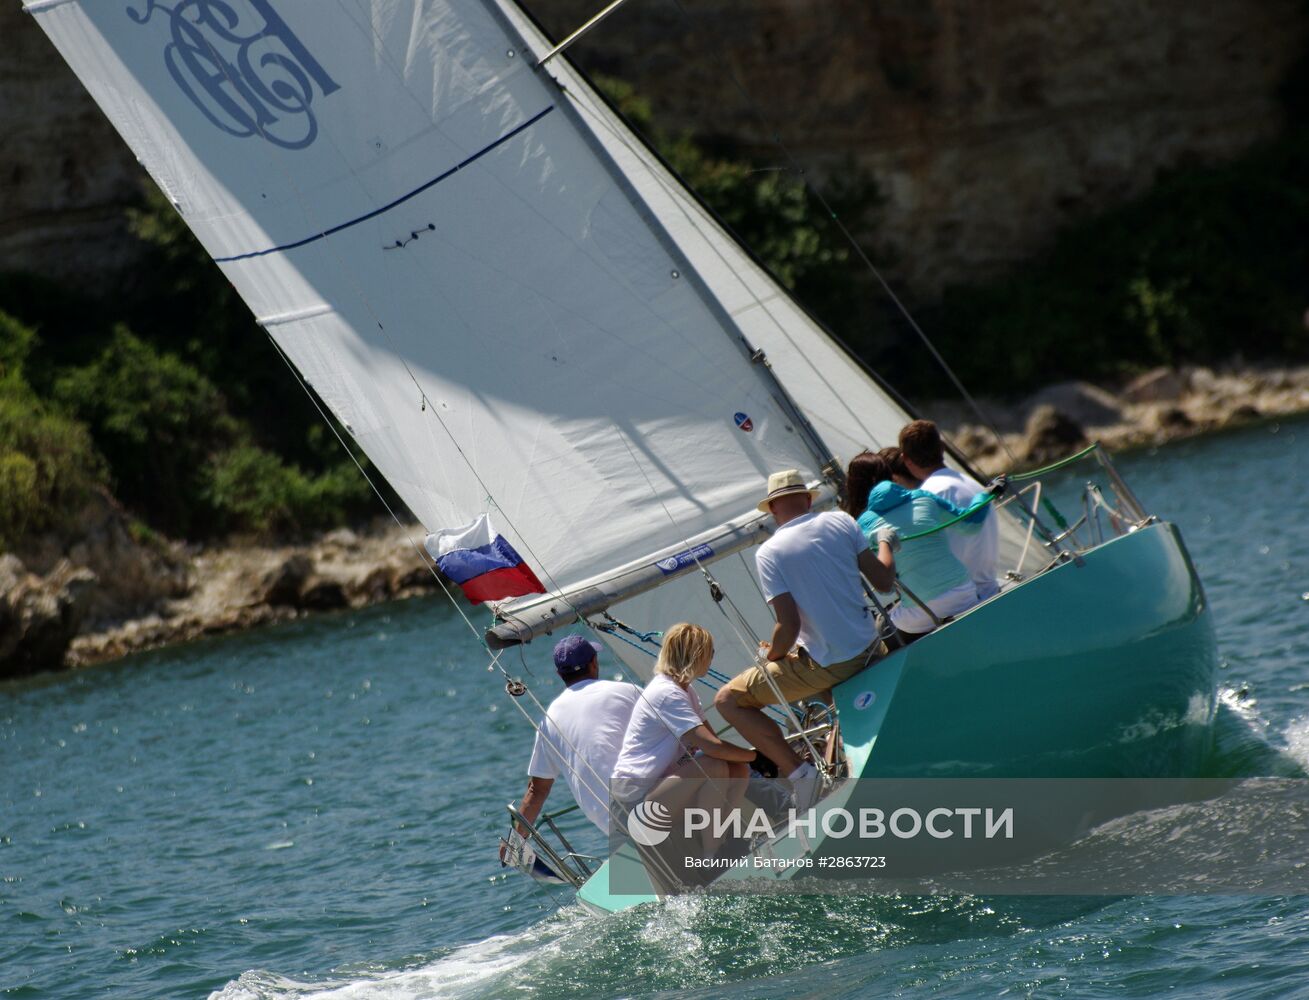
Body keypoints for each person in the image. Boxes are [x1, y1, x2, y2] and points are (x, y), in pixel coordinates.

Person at [713, 470, 896, 810]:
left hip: (833, 665)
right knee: (813, 669)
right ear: (808, 499)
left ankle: (801, 775)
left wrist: (771, 657)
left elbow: (789, 625)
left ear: (772, 510)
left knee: (728, 700)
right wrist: (885, 542)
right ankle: (847, 745)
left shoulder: (769, 553)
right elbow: (884, 581)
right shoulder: (841, 522)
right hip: (871, 649)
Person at [610, 623, 755, 862]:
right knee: (715, 766)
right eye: (710, 652)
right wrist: (758, 756)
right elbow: (712, 748)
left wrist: (746, 760)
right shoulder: (667, 693)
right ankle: (712, 856)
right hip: (634, 806)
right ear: (696, 656)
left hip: (660, 792)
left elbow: (713, 740)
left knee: (737, 769)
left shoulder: (686, 690)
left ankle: (724, 839)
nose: (712, 658)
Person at [501, 634, 640, 861]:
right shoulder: (627, 691)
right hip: (659, 807)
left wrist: (514, 843)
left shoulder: (549, 720)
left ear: (559, 674)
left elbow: (537, 791)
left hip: (617, 828)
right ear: (594, 662)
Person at [844, 451, 987, 645]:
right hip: (964, 593)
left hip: (922, 613)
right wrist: (985, 494)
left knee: (880, 636)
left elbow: (883, 588)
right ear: (890, 474)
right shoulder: (923, 497)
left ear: (853, 486)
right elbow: (971, 524)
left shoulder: (861, 526)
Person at [899, 419, 1001, 600]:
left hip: (965, 599)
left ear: (905, 459)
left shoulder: (928, 496)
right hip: (991, 587)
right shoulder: (974, 484)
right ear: (942, 448)